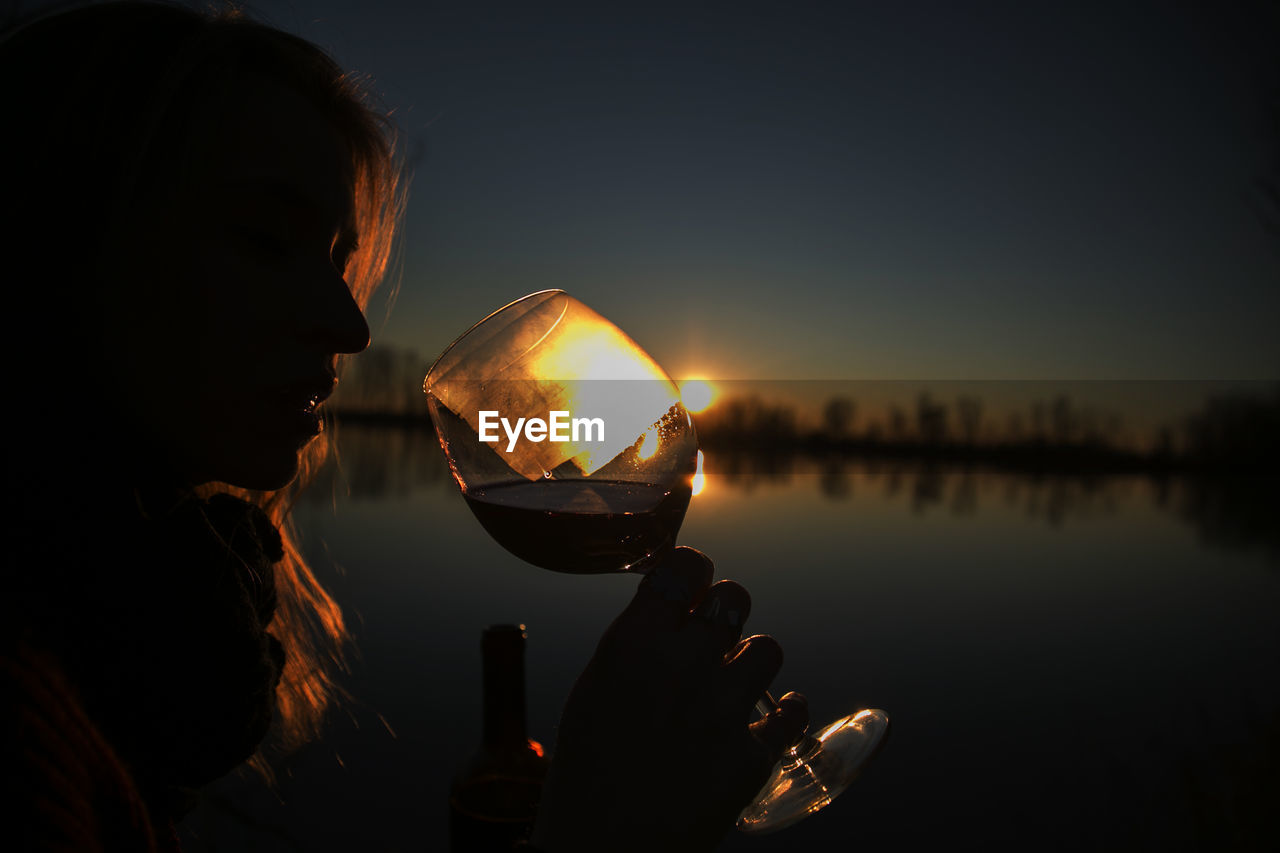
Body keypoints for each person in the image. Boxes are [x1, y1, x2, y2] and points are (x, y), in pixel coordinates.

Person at [0, 3, 808, 851]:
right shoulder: (16, 717)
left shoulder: (121, 637)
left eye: (340, 261)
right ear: (51, 237)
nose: (350, 326)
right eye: (267, 239)